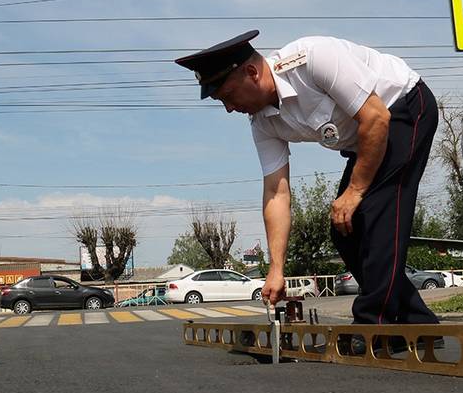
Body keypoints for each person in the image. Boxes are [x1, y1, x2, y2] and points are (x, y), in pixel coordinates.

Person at [175, 31, 440, 341]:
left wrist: (354, 192)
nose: (230, 109)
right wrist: (276, 268)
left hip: (403, 108)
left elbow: (376, 117)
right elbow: (276, 191)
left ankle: (373, 324)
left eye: (229, 96)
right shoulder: (262, 123)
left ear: (251, 72)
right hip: (366, 139)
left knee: (378, 211)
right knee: (346, 228)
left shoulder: (313, 59)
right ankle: (416, 322)